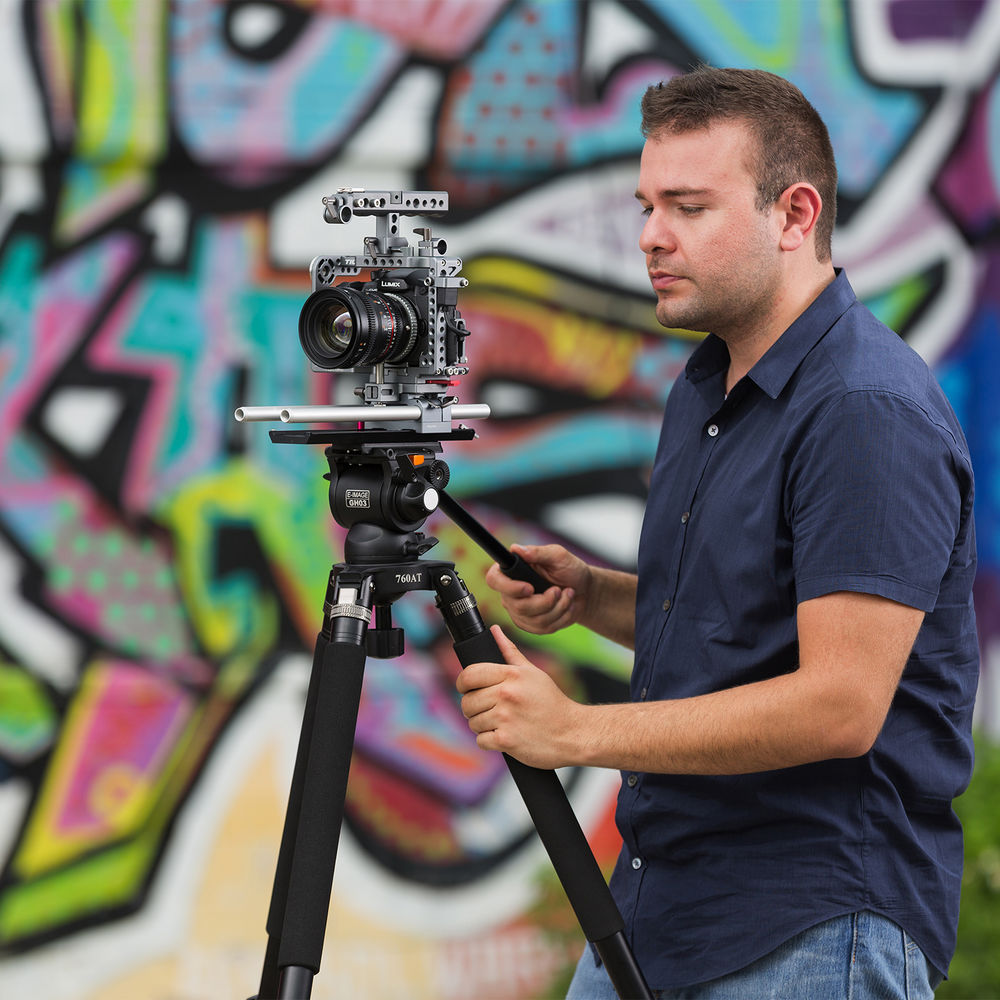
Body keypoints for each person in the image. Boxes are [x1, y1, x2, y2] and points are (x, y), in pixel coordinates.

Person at [456, 67, 979, 999]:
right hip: (661, 915)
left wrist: (576, 732)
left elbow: (839, 705)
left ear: (795, 215)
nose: (651, 236)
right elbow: (741, 626)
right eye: (647, 206)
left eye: (689, 207)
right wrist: (593, 596)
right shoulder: (708, 384)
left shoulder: (864, 408)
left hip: (811, 929)